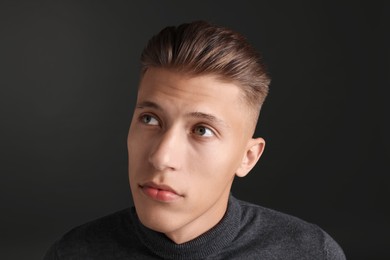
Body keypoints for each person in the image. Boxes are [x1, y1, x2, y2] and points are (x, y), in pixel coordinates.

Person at [44, 21, 346, 259]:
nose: (162, 157)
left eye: (202, 130)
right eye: (150, 119)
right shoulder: (73, 253)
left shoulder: (310, 253)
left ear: (248, 157)